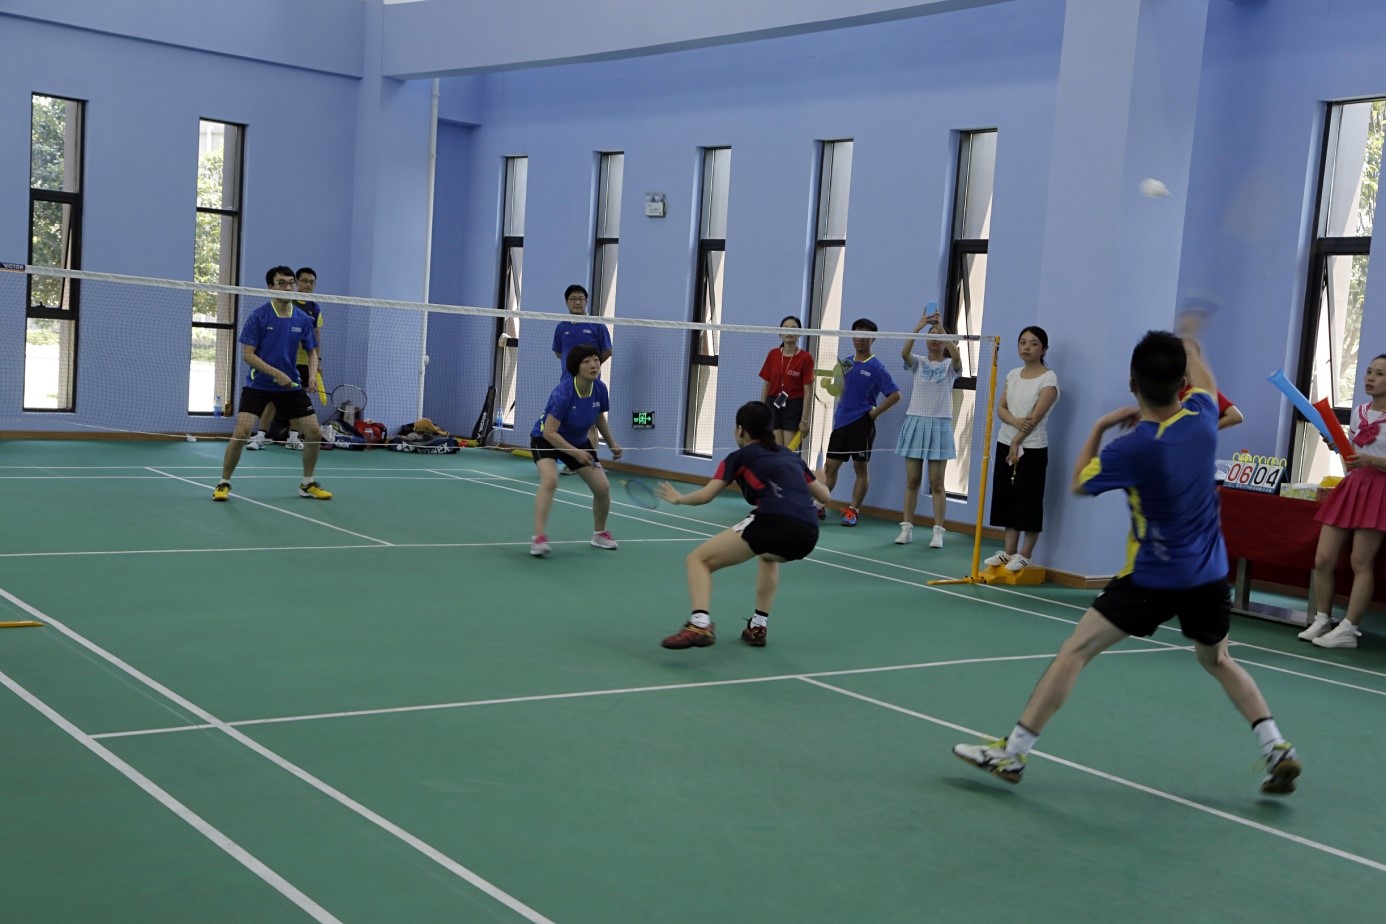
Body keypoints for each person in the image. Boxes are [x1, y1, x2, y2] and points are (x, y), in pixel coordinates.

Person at [953, 329, 1301, 796]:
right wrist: (1191, 339)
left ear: (1132, 384)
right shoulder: (1202, 417)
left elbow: (1079, 482)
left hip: (1152, 576)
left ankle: (1013, 753)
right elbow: (1204, 375)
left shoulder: (1131, 448)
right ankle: (1276, 746)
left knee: (1075, 651)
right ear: (1183, 384)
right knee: (1218, 658)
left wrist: (1100, 427)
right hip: (1209, 573)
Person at [656, 401, 833, 649]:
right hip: (808, 533)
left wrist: (679, 499)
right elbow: (825, 496)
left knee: (698, 560)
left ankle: (699, 624)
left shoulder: (738, 458)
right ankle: (757, 626)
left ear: (740, 430)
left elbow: (706, 496)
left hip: (772, 521)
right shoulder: (791, 457)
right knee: (768, 555)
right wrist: (821, 479)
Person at [213, 266, 331, 502]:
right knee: (242, 431)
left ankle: (307, 483)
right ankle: (224, 482)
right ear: (270, 287)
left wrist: (311, 375)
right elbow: (248, 355)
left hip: (290, 386)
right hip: (258, 385)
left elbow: (311, 351)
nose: (287, 287)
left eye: (290, 283)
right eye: (281, 283)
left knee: (314, 432)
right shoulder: (259, 316)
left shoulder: (302, 319)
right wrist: (276, 373)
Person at [1299, 353, 1386, 649]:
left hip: (1379, 491)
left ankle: (1349, 628)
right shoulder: (1359, 412)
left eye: (1379, 374)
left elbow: (1369, 458)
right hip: (1352, 487)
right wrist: (1338, 445)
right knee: (1323, 559)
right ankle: (1322, 618)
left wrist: (1369, 460)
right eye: (1369, 372)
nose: (1370, 378)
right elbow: (1351, 459)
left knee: (1361, 562)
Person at [529, 343, 623, 557]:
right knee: (550, 480)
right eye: (586, 361)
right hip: (546, 439)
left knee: (602, 487)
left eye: (596, 360)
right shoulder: (564, 391)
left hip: (578, 441)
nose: (593, 365)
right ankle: (539, 538)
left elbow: (599, 417)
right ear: (576, 367)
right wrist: (575, 453)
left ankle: (599, 534)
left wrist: (611, 443)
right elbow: (550, 432)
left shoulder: (600, 389)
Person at [984, 326, 1059, 571]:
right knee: (1006, 497)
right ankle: (1008, 552)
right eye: (1023, 342)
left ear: (1043, 349)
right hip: (1005, 443)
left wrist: (1017, 441)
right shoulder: (1013, 375)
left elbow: (1035, 418)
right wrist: (1015, 424)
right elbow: (1001, 408)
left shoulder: (1049, 379)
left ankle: (1025, 554)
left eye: (1033, 343)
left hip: (1032, 448)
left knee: (1029, 499)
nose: (1027, 347)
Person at [821, 318, 901, 527]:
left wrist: (874, 414)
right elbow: (837, 390)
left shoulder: (877, 367)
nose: (861, 339)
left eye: (866, 335)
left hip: (862, 424)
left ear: (873, 339)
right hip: (841, 422)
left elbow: (895, 394)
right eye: (857, 334)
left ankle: (853, 510)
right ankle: (819, 505)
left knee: (860, 469)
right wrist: (828, 385)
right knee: (830, 467)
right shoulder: (845, 363)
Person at [894, 309, 960, 548]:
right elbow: (904, 353)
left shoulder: (950, 366)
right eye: (931, 336)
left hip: (939, 425)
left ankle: (938, 532)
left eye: (938, 337)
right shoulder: (918, 363)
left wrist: (942, 331)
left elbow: (958, 359)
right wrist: (919, 326)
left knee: (937, 482)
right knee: (912, 480)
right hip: (916, 423)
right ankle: (906, 529)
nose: (934, 340)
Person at [247, 266, 324, 450]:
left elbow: (316, 335)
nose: (308, 285)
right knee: (272, 400)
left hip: (304, 363)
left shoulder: (314, 308)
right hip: (284, 360)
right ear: (296, 283)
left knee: (297, 400)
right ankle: (261, 435)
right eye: (304, 281)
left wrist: (317, 364)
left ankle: (293, 437)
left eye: (312, 282)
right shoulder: (288, 302)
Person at [551, 284, 612, 474]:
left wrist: (588, 368)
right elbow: (559, 353)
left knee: (591, 422)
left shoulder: (596, 325)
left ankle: (591, 462)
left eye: (581, 299)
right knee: (566, 424)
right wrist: (574, 368)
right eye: (573, 299)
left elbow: (607, 351)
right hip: (567, 384)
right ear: (566, 302)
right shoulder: (561, 327)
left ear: (586, 301)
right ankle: (573, 462)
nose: (577, 302)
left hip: (590, 385)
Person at [758, 316, 815, 447]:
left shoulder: (806, 358)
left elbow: (808, 391)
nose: (789, 332)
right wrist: (762, 412)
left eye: (793, 328)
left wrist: (804, 420)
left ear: (799, 333)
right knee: (776, 449)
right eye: (786, 328)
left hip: (794, 406)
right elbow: (766, 385)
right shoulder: (773, 354)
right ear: (780, 333)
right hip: (773, 404)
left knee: (788, 450)